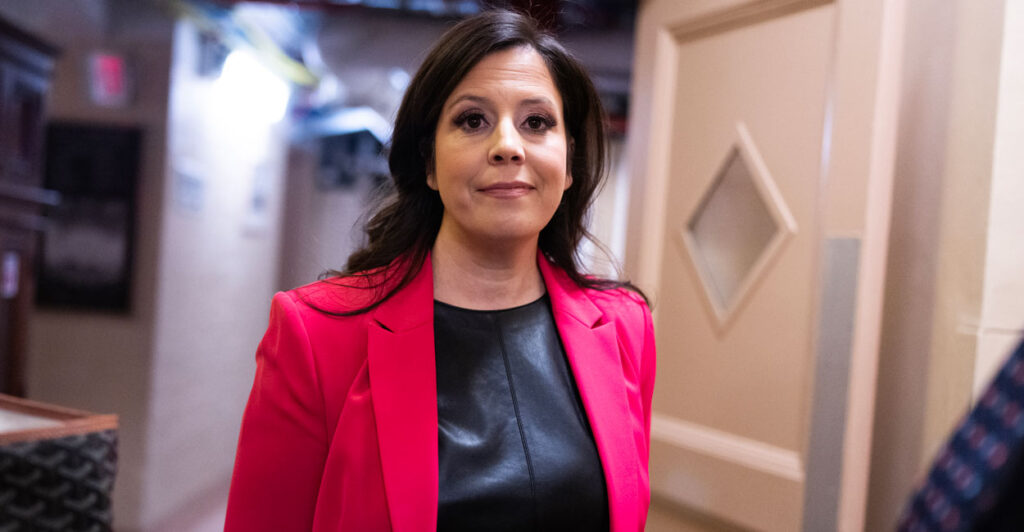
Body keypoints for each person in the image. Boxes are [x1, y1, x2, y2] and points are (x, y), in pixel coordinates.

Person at [225, 9, 656, 532]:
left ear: (569, 164)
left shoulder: (624, 327)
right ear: (429, 163)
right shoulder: (316, 335)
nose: (507, 146)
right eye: (472, 120)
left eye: (537, 122)